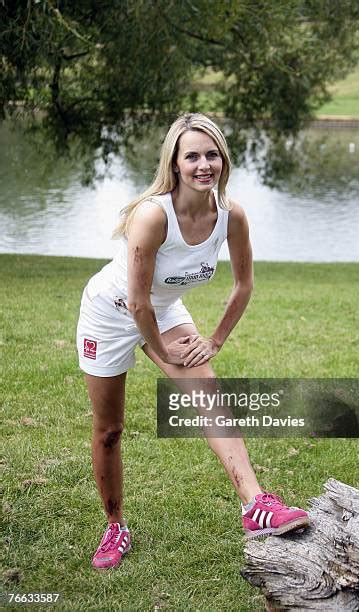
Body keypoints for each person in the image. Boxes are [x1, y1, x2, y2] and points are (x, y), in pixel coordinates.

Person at [76, 113, 309, 570]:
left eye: (212, 154)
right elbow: (137, 301)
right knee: (109, 430)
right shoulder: (152, 215)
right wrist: (161, 352)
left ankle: (255, 504)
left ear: (223, 159)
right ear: (175, 164)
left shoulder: (231, 216)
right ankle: (115, 525)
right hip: (111, 311)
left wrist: (214, 340)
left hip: (162, 310)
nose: (204, 164)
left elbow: (243, 286)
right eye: (193, 156)